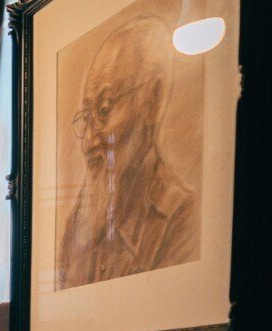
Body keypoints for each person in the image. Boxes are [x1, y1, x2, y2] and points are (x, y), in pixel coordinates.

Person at [56, 14, 199, 290]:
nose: (89, 140)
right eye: (87, 116)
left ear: (152, 100)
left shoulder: (181, 217)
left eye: (105, 110)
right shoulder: (78, 226)